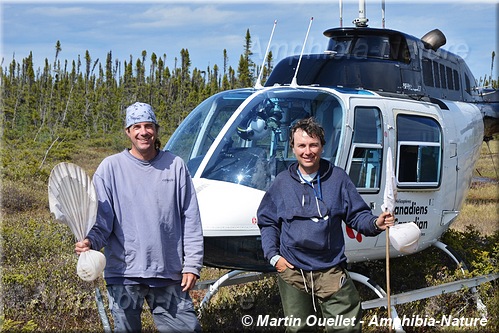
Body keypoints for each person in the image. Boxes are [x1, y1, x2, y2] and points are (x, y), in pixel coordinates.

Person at [75, 102, 204, 333]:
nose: (143, 132)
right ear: (128, 132)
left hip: (168, 272)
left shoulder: (175, 166)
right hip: (124, 275)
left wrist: (192, 265)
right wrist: (90, 242)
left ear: (156, 129)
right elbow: (102, 221)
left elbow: (191, 219)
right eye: (136, 127)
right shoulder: (110, 168)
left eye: (148, 126)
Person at [257, 117, 394, 332]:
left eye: (313, 145)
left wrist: (376, 222)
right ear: (292, 147)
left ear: (322, 146)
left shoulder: (338, 179)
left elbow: (357, 216)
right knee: (298, 330)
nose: (307, 151)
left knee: (346, 328)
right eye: (301, 145)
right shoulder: (282, 183)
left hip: (330, 270)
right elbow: (267, 222)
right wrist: (274, 258)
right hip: (292, 271)